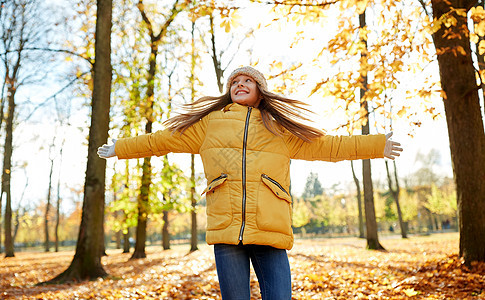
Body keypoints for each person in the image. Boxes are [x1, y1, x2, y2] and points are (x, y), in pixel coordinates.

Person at [98, 66, 403, 299]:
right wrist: (119, 148)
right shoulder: (209, 125)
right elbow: (161, 141)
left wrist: (376, 145)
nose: (239, 84)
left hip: (269, 229)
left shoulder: (278, 128)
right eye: (234, 82)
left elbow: (329, 146)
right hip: (226, 231)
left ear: (261, 91)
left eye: (247, 81)